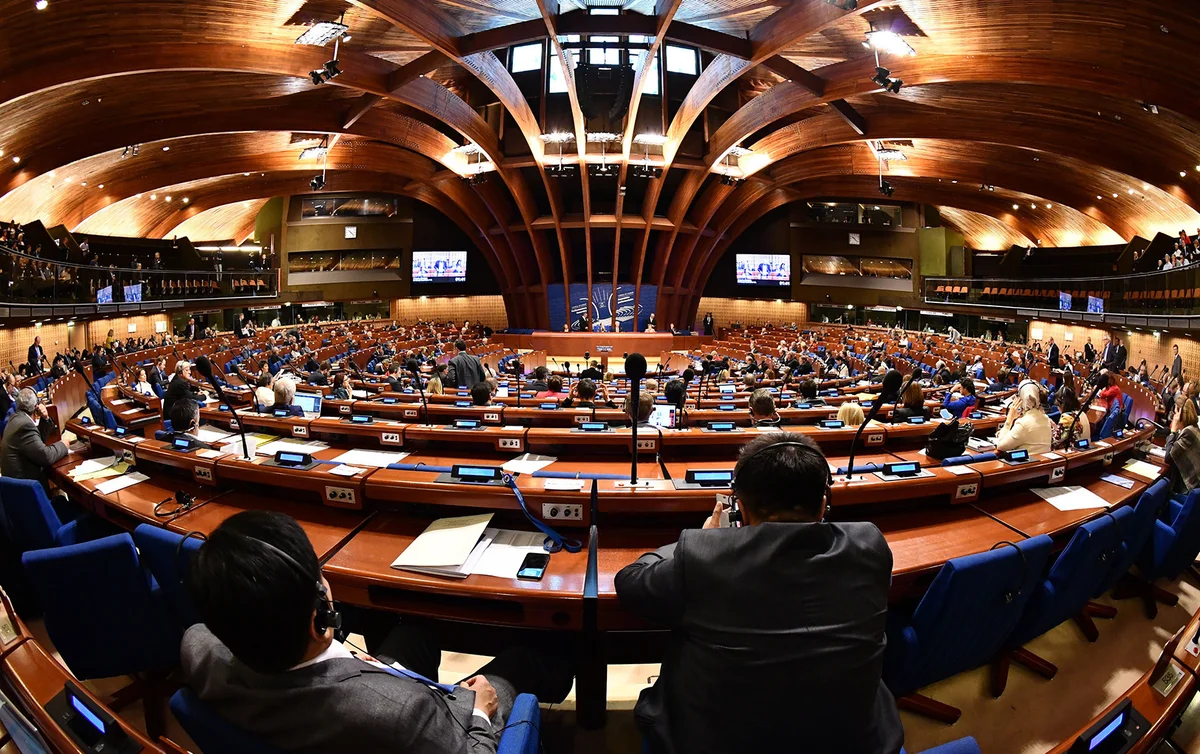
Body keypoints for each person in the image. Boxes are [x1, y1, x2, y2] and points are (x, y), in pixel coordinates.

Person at [182, 510, 573, 754]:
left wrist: (345, 660)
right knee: (521, 661)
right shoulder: (398, 711)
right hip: (450, 728)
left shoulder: (198, 648)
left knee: (415, 634)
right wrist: (479, 713)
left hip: (326, 712)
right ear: (319, 620)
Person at [615, 433, 902, 754]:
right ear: (824, 504)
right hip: (851, 742)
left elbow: (630, 582)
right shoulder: (871, 544)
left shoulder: (704, 554)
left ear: (741, 507)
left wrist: (706, 539)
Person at [1, 388, 69, 495]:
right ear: (36, 407)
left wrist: (45, 419)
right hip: (27, 494)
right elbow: (46, 456)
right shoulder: (24, 425)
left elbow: (36, 441)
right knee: (62, 493)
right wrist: (64, 445)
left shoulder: (16, 418)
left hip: (19, 489)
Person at [995, 382, 1053, 455]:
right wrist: (1007, 434)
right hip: (1042, 463)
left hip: (1026, 464)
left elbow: (1000, 446)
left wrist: (1009, 419)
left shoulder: (1023, 423)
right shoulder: (1045, 418)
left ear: (1022, 399)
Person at [1166, 399, 1200, 492]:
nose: (1173, 417)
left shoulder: (1188, 432)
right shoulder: (1193, 427)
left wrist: (1173, 431)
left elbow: (1168, 457)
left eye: (1175, 413)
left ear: (1180, 414)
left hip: (1189, 489)